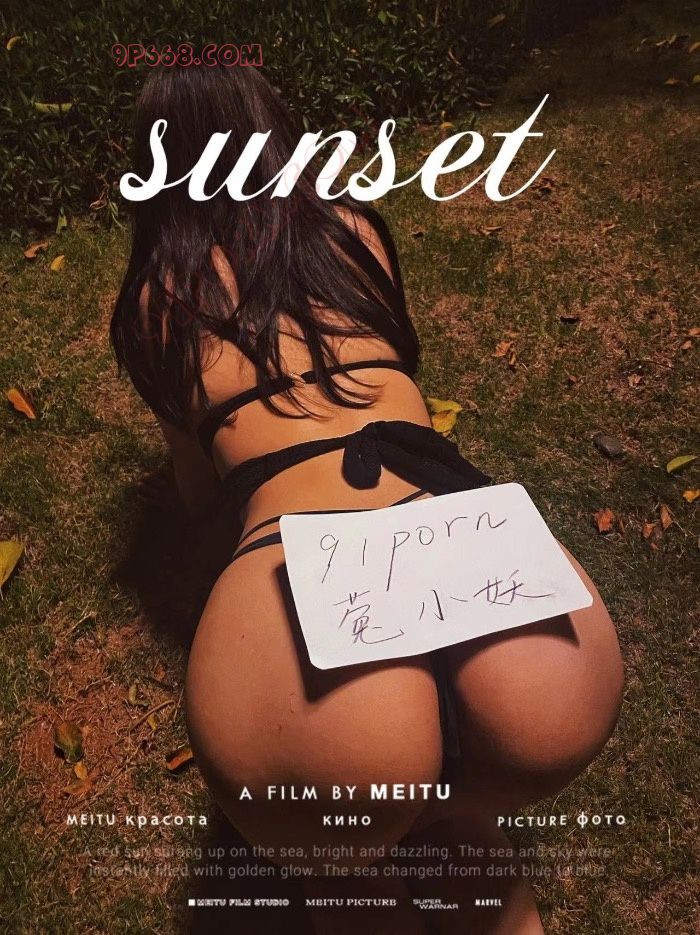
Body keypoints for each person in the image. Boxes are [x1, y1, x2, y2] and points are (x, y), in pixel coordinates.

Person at [111, 63, 624, 935]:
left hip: (315, 634)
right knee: (468, 827)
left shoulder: (160, 296)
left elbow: (200, 496)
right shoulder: (351, 232)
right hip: (520, 632)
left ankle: (392, 832)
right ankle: (454, 801)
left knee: (351, 878)